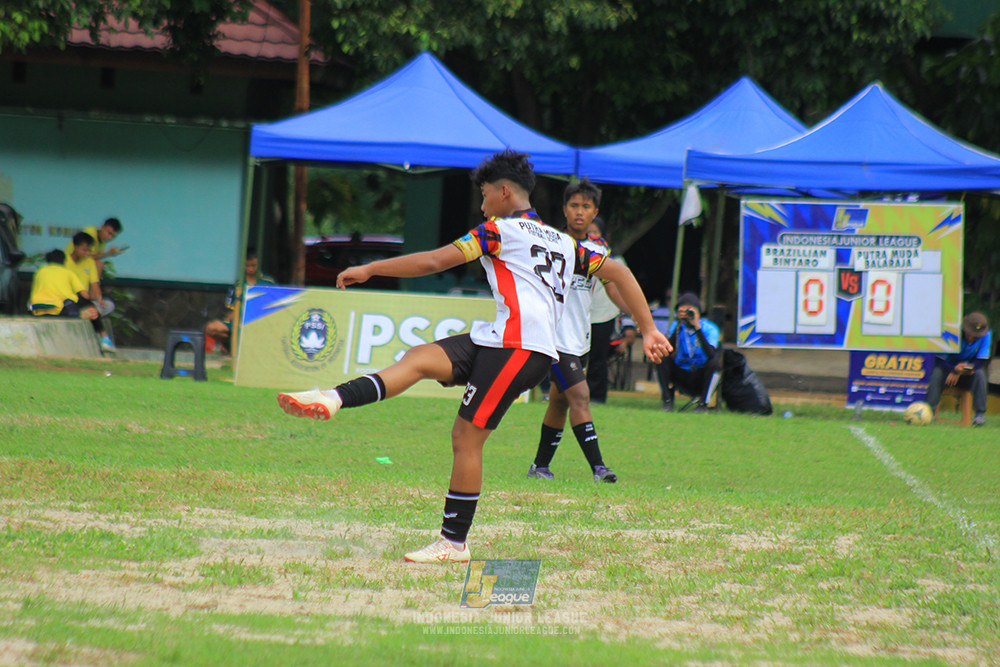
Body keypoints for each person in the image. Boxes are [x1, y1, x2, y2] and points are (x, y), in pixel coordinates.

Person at [275, 150, 671, 564]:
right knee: (420, 358)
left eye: (483, 195)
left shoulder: (497, 231)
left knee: (466, 438)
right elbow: (620, 272)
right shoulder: (566, 242)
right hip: (500, 341)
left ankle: (454, 542)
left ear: (503, 192)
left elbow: (433, 260)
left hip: (520, 350)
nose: (481, 206)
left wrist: (372, 267)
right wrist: (648, 328)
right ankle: (333, 398)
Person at [527, 180, 629, 483]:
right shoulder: (551, 242)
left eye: (586, 207)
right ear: (564, 209)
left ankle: (539, 467)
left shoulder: (599, 249)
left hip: (578, 338)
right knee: (581, 396)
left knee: (560, 401)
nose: (579, 212)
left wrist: (639, 317)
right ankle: (599, 468)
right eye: (574, 205)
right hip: (554, 337)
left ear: (595, 211)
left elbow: (612, 288)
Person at [925, 312, 992, 427]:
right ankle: (929, 413)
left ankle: (979, 415)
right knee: (937, 373)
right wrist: (954, 369)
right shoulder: (951, 333)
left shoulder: (987, 335)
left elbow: (980, 361)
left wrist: (964, 369)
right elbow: (940, 360)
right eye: (969, 334)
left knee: (980, 374)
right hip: (948, 370)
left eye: (976, 336)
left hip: (967, 372)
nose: (971, 338)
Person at [657, 292, 720, 412]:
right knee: (661, 358)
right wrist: (679, 325)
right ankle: (667, 400)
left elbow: (711, 354)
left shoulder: (709, 328)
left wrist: (697, 327)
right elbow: (668, 351)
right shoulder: (677, 326)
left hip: (700, 374)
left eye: (690, 310)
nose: (687, 314)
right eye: (683, 310)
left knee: (714, 363)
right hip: (681, 372)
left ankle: (703, 404)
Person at [204, 249, 275, 355]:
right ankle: (229, 345)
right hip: (238, 322)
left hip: (260, 322)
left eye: (253, 265)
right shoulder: (238, 283)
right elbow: (231, 311)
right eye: (247, 265)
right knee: (211, 328)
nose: (250, 269)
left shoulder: (269, 282)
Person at [586, 217, 623, 404]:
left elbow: (619, 288)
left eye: (595, 232)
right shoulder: (573, 251)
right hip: (580, 314)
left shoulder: (612, 258)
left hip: (603, 315)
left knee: (598, 359)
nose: (591, 236)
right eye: (588, 232)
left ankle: (597, 397)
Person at [65, 231, 115, 350]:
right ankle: (103, 335)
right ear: (76, 247)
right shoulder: (64, 260)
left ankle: (103, 337)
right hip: (66, 297)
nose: (87, 253)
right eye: (84, 250)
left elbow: (94, 283)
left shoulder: (90, 262)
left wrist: (99, 298)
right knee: (91, 309)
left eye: (89, 250)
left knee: (106, 306)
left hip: (84, 299)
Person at [28, 249, 98, 320]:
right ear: (64, 261)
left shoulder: (39, 272)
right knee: (84, 304)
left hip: (37, 306)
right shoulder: (68, 272)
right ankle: (83, 317)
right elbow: (84, 295)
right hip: (59, 308)